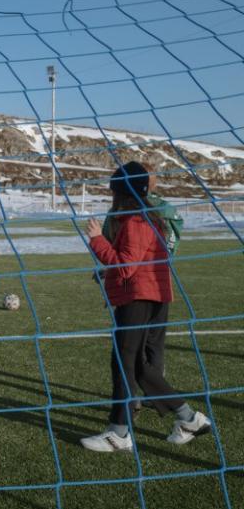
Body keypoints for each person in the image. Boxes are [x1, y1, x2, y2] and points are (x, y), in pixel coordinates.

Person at [81, 161, 210, 453]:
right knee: (136, 365)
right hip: (150, 297)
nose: (111, 197)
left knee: (125, 364)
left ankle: (120, 432)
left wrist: (97, 240)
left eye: (114, 191)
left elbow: (126, 267)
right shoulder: (145, 217)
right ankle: (189, 419)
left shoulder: (137, 220)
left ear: (123, 193)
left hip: (140, 298)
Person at [99, 162, 183, 401]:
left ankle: (176, 411)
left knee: (127, 356)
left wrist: (98, 243)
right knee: (148, 348)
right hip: (158, 285)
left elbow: (122, 257)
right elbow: (170, 246)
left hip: (135, 289)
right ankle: (150, 401)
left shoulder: (133, 217)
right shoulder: (165, 210)